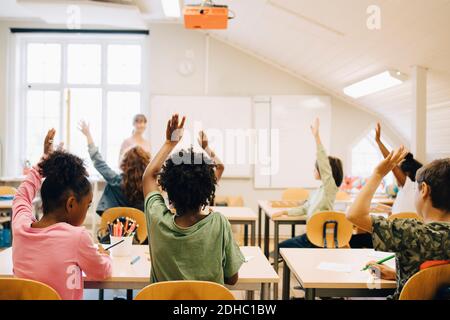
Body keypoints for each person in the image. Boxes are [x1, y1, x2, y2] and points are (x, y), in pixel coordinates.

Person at [142, 114, 244, 285]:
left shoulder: (156, 218)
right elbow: (231, 279)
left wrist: (170, 142)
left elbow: (149, 176)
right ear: (208, 192)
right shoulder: (219, 223)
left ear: (167, 188)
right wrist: (207, 148)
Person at [12, 129, 112, 300]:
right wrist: (104, 256)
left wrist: (44, 161)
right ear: (71, 204)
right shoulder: (77, 237)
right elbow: (102, 272)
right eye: (87, 205)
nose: (87, 209)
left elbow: (21, 195)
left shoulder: (20, 226)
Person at [347, 148, 450, 299]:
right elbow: (439, 275)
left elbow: (354, 214)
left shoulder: (411, 232)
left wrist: (377, 174)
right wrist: (398, 274)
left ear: (424, 190)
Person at [274, 118, 344, 249]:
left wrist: (316, 137)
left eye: (316, 167)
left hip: (317, 238)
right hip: (311, 236)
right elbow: (304, 208)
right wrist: (285, 211)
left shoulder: (330, 188)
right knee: (281, 247)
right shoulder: (319, 191)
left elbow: (324, 163)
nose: (314, 170)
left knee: (281, 248)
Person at [79, 121, 150, 215]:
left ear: (125, 164)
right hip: (141, 226)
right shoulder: (148, 185)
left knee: (110, 185)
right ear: (145, 164)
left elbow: (98, 161)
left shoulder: (116, 180)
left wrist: (88, 135)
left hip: (115, 224)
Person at [375, 123, 423, 213]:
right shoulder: (412, 190)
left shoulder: (409, 186)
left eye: (399, 172)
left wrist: (378, 141)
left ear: (407, 173)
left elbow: (391, 162)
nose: (396, 178)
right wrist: (389, 210)